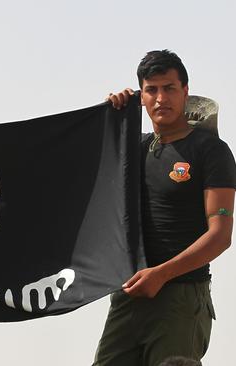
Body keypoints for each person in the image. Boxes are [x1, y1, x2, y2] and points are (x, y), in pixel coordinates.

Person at [93, 50, 236, 365]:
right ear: (141, 97)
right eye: (152, 89)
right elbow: (91, 182)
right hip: (129, 295)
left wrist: (161, 274)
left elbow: (220, 235)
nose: (161, 97)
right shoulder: (135, 149)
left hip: (181, 297)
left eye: (169, 88)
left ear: (185, 91)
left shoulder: (210, 151)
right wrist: (113, 115)